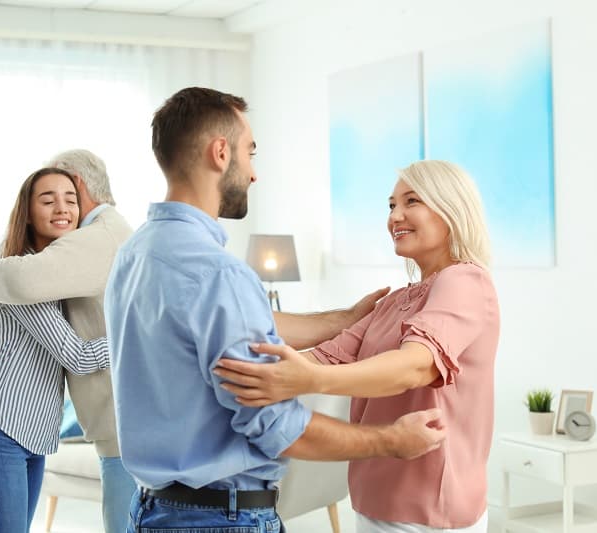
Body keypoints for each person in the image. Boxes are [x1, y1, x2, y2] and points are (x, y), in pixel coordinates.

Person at [104, 87, 448, 533]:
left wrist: (340, 321)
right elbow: (276, 425)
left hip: (151, 511)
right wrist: (391, 440)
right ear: (221, 152)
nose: (254, 173)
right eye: (251, 152)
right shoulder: (220, 274)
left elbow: (214, 328)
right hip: (219, 519)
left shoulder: (136, 254)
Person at [214, 160, 500, 533]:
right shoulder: (398, 299)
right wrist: (230, 365)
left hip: (429, 509)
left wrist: (308, 379)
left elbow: (415, 365)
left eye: (411, 202)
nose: (395, 216)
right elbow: (326, 356)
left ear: (451, 208)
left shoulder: (466, 282)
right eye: (391, 205)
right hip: (375, 499)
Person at [0, 149, 135, 533]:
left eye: (67, 197)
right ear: (28, 210)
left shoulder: (97, 238)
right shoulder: (66, 256)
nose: (61, 207)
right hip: (5, 426)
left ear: (78, 186)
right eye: (47, 198)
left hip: (55, 429)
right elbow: (68, 345)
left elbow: (21, 286)